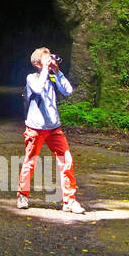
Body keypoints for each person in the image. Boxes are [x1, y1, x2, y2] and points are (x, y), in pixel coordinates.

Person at [17, 47, 84, 214]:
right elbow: (38, 89)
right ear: (38, 63)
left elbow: (68, 91)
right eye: (46, 58)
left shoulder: (53, 76)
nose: (51, 60)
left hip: (54, 129)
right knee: (30, 162)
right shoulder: (31, 78)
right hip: (35, 129)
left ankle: (70, 200)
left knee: (66, 161)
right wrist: (47, 69)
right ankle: (22, 195)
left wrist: (57, 71)